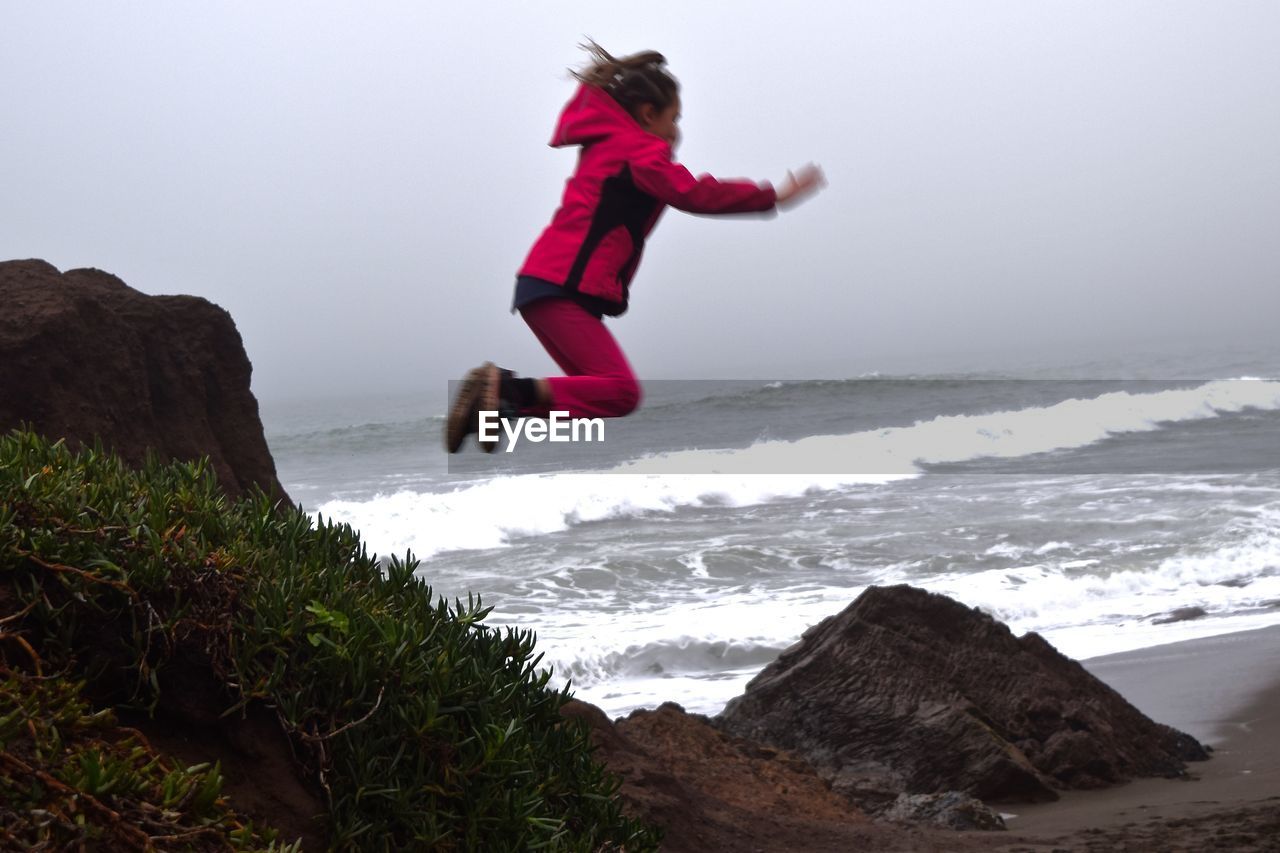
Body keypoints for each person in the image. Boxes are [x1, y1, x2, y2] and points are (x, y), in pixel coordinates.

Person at [446, 40, 825, 453]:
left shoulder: (611, 146)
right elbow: (694, 193)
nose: (678, 130)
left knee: (604, 396)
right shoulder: (638, 151)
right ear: (648, 114)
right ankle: (504, 393)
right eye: (674, 118)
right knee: (620, 392)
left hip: (547, 284)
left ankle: (497, 409)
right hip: (561, 284)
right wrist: (772, 195)